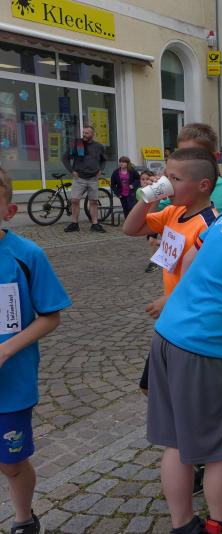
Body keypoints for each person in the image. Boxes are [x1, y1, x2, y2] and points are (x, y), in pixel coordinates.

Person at [146, 202, 222, 534]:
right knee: (220, 450)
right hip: (208, 347)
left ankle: (183, 525)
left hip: (169, 331)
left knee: (176, 442)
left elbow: (191, 259)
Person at [0, 167, 71, 534]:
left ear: (9, 211)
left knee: (11, 463)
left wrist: (6, 351)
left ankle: (24, 520)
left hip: (11, 386)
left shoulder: (27, 255)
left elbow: (50, 316)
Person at [123, 148, 219, 391]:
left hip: (191, 321)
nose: (167, 183)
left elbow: (204, 279)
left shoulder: (210, 225)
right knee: (150, 387)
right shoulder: (174, 212)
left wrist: (169, 299)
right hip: (171, 318)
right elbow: (131, 229)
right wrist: (149, 198)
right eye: (166, 176)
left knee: (176, 389)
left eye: (174, 178)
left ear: (203, 185)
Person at [61, 125, 107, 233]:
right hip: (79, 178)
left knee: (93, 202)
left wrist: (100, 169)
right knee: (74, 200)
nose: (84, 135)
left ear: (93, 134)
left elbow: (104, 159)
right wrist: (71, 171)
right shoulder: (77, 144)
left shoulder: (99, 146)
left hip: (93, 178)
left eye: (87, 133)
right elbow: (65, 158)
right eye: (83, 132)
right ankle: (74, 224)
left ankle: (95, 224)